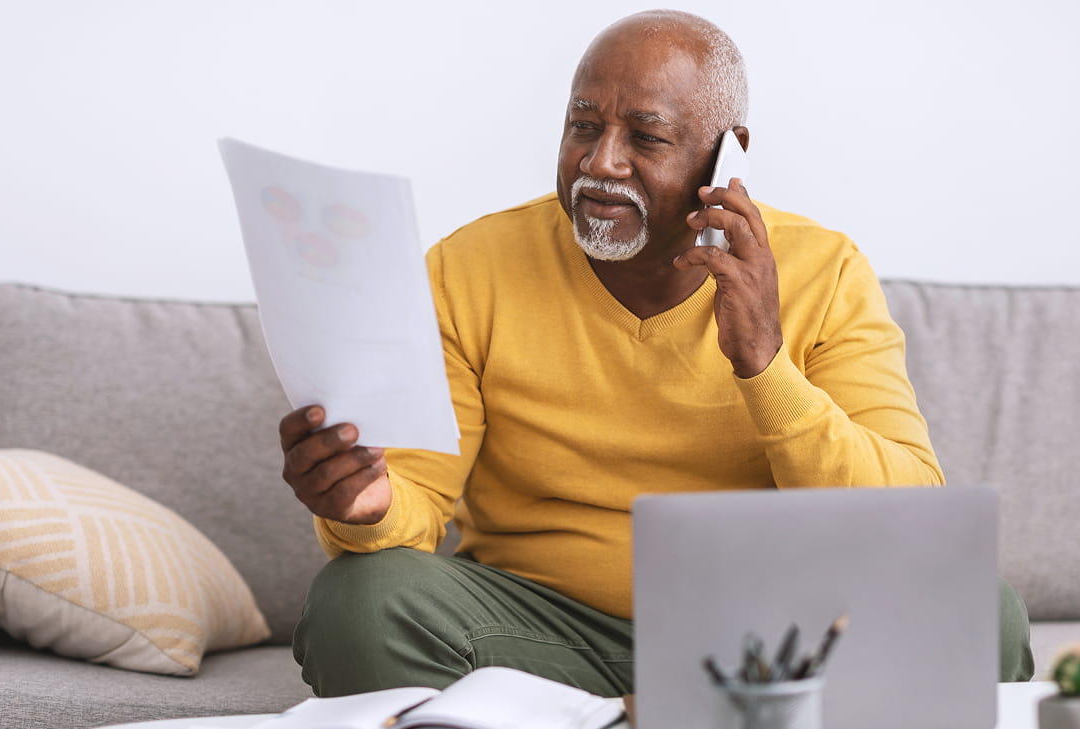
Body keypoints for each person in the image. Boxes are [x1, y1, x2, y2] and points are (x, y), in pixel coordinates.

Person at [281, 9, 1034, 698]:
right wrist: (367, 505)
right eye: (583, 126)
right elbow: (415, 502)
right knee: (360, 602)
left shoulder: (825, 271)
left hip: (765, 640)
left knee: (975, 608)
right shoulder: (467, 268)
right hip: (537, 632)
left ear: (727, 155)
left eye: (646, 137)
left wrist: (765, 365)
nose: (602, 162)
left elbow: (913, 516)